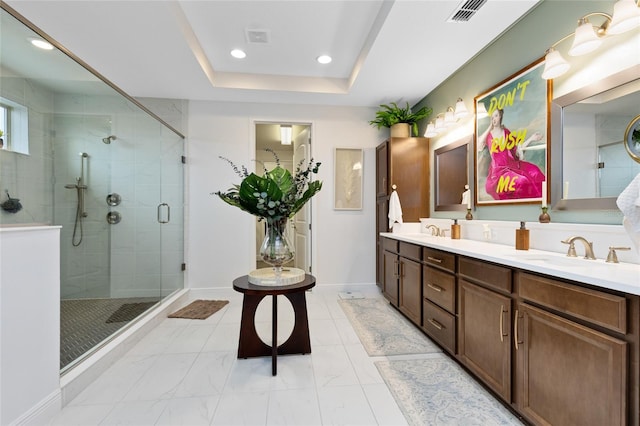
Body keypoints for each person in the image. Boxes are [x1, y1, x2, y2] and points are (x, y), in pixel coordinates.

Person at [478, 108, 545, 200]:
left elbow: (518, 149)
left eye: (496, 116)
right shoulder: (489, 136)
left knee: (535, 171)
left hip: (512, 164)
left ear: (500, 116)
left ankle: (543, 201)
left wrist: (531, 138)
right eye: (492, 117)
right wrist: (490, 126)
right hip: (499, 172)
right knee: (522, 181)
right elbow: (479, 145)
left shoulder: (506, 132)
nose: (494, 119)